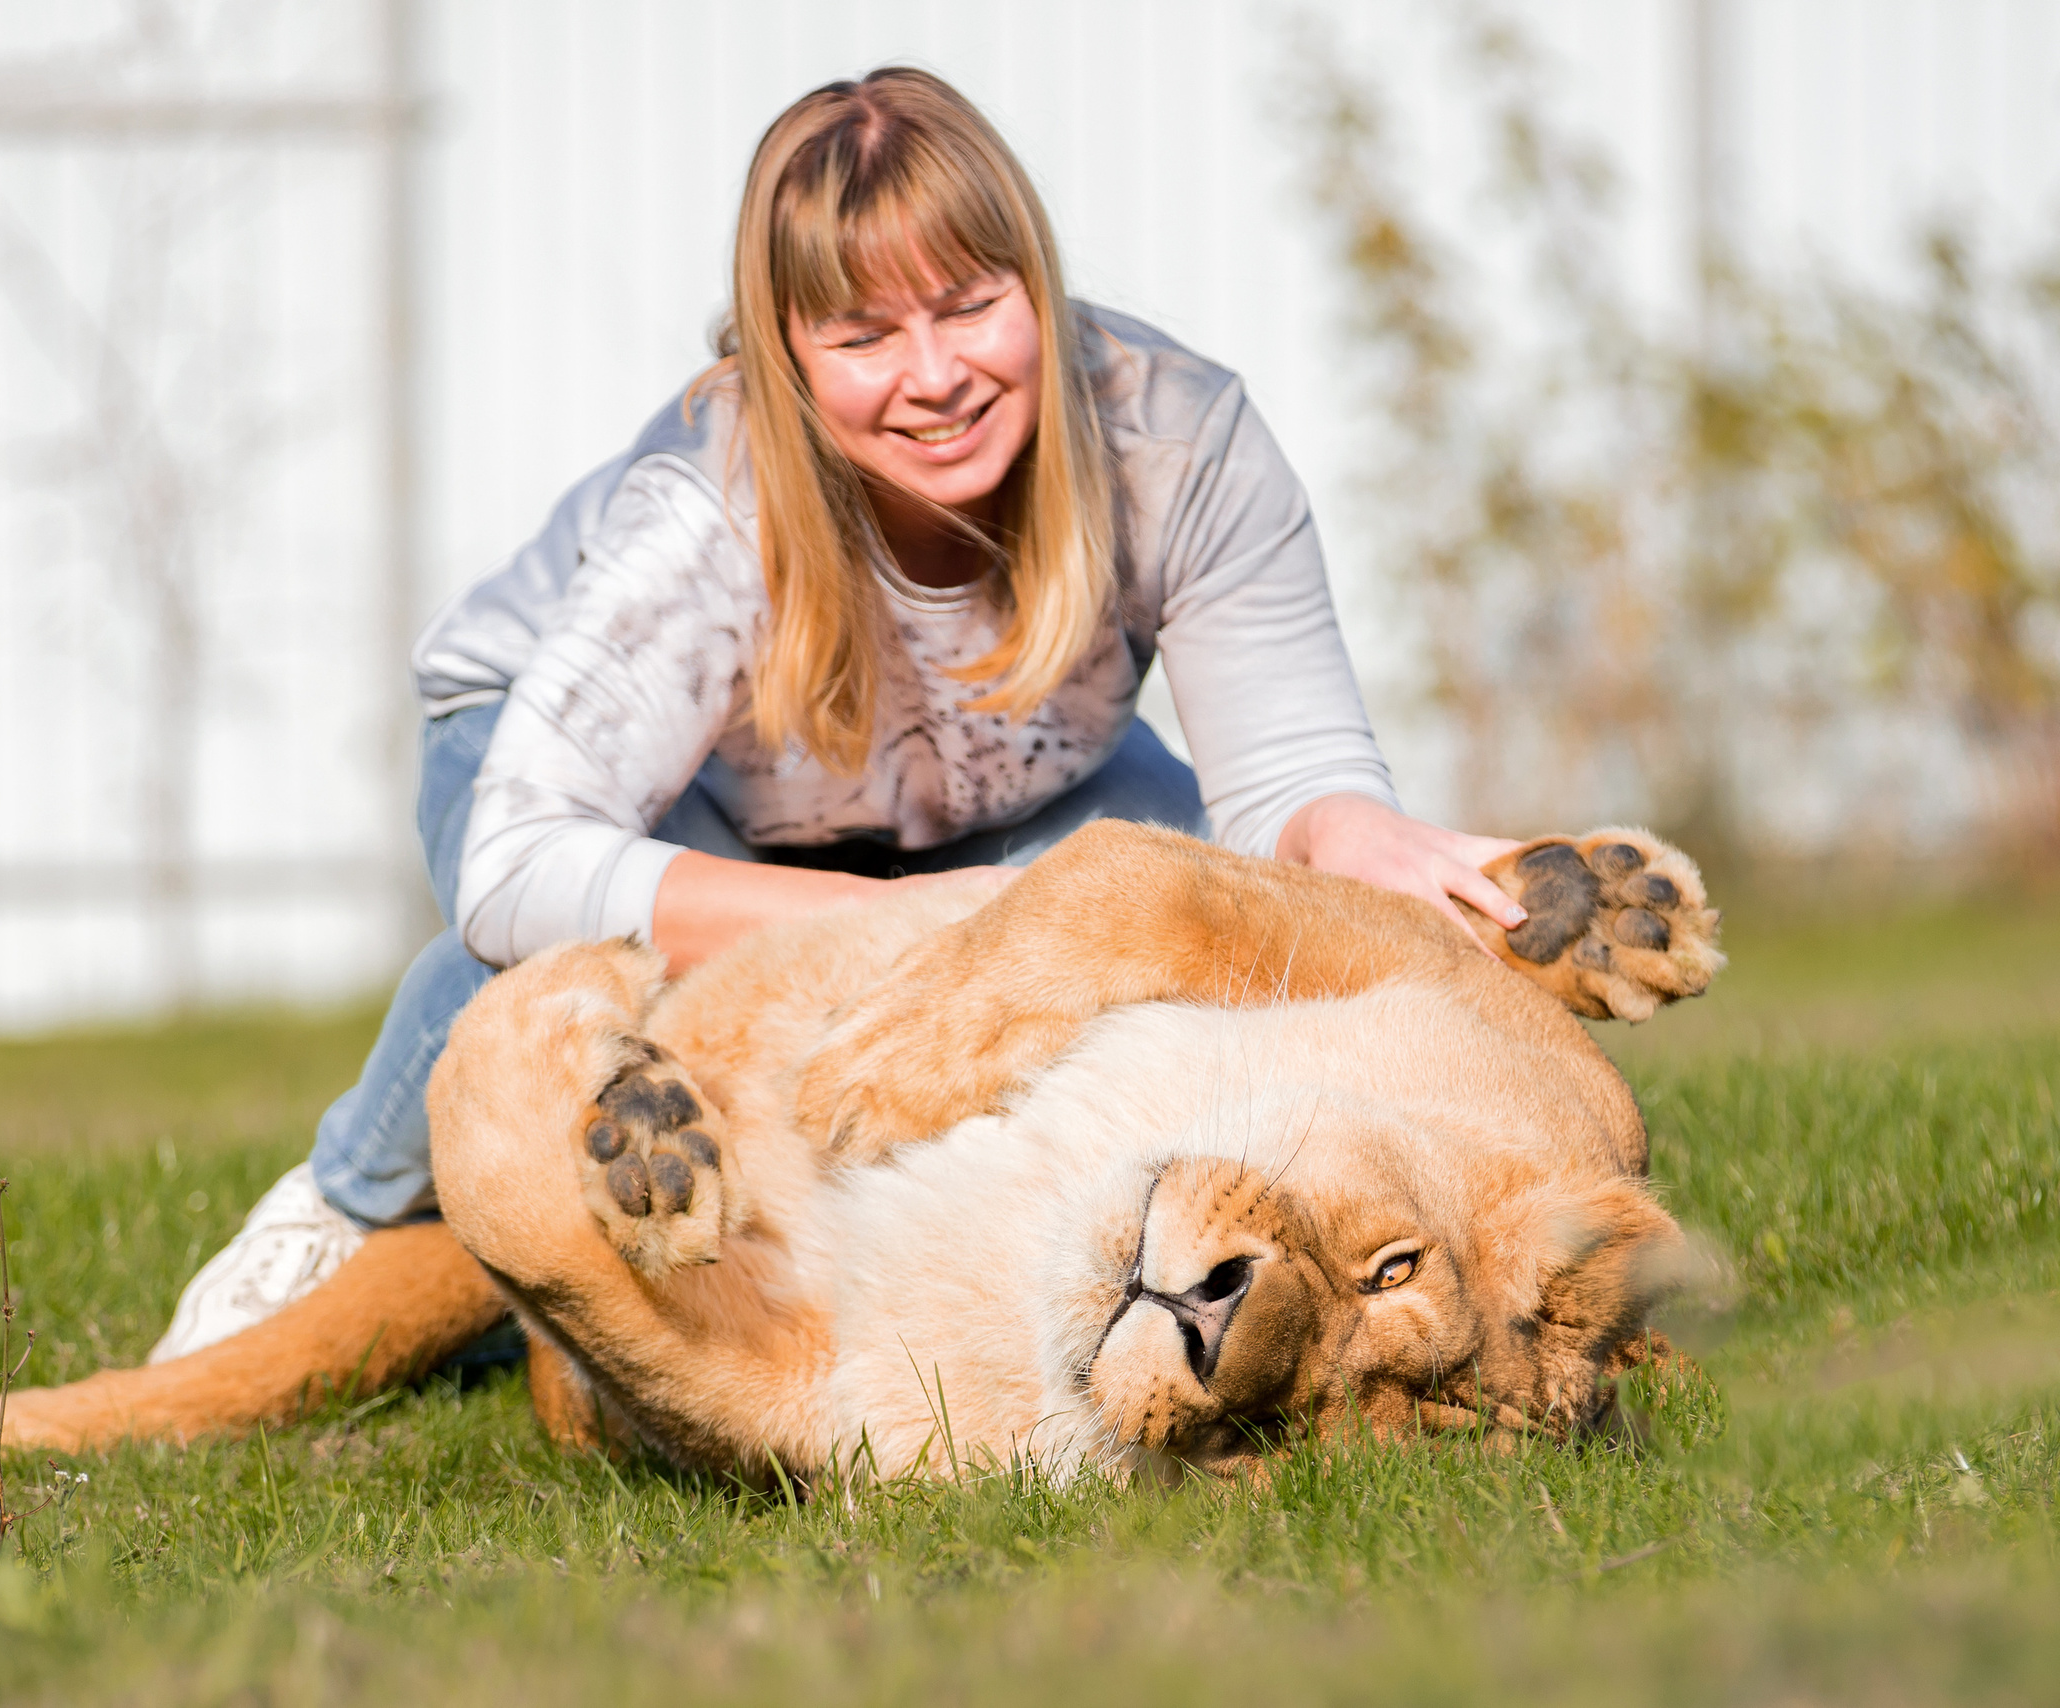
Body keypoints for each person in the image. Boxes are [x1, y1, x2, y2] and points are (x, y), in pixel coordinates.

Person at [147, 66, 1527, 1365]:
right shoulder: (709, 506)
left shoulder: (1178, 446)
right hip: (603, 775)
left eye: (970, 306)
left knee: (1167, 897)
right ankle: (348, 1202)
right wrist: (895, 926)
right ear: (786, 355)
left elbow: (1283, 778)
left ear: (1039, 286)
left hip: (982, 791)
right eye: (864, 337)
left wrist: (1356, 835)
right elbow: (520, 864)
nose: (933, 375)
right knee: (563, 965)